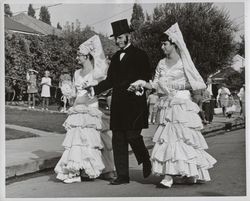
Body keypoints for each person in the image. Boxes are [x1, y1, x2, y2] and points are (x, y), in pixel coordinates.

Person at [129, 23, 217, 188]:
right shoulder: (161, 63)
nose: (162, 47)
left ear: (174, 44)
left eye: (165, 44)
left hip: (181, 103)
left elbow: (198, 84)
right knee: (169, 139)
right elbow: (155, 84)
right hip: (167, 105)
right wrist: (141, 83)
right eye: (161, 44)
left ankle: (176, 175)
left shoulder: (184, 62)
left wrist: (176, 86)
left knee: (183, 139)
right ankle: (173, 173)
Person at [89, 19, 152, 185]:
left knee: (133, 136)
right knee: (118, 140)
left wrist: (139, 88)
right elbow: (110, 80)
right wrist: (93, 90)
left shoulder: (140, 55)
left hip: (135, 105)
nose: (117, 41)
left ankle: (145, 159)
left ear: (128, 36)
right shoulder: (116, 57)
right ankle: (123, 176)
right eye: (115, 38)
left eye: (119, 37)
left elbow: (146, 78)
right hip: (118, 104)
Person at [54, 35, 114, 183]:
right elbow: (76, 92)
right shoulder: (76, 73)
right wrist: (68, 92)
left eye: (79, 55)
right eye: (77, 55)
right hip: (78, 108)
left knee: (90, 141)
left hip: (90, 109)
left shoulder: (96, 72)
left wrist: (84, 97)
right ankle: (77, 170)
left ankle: (92, 169)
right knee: (77, 141)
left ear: (87, 56)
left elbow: (99, 91)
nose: (77, 57)